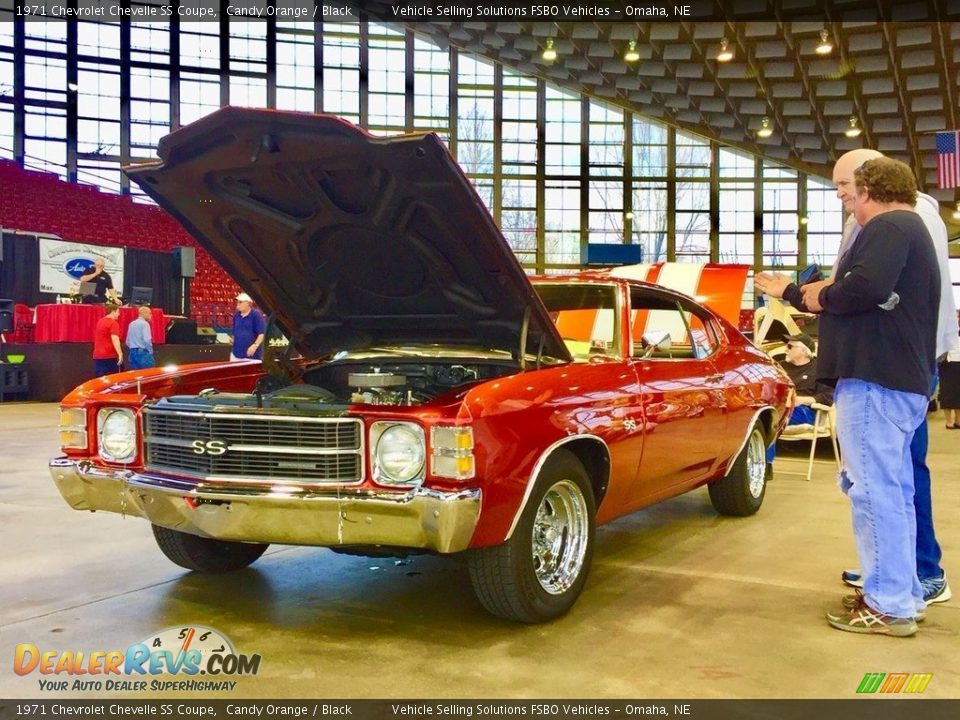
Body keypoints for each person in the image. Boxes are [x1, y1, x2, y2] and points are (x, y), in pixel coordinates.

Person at [756, 157, 940, 636]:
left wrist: (811, 294)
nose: (846, 201)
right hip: (900, 378)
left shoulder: (890, 226)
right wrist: (809, 294)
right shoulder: (912, 228)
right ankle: (901, 591)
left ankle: (888, 604)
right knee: (895, 491)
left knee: (874, 492)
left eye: (848, 191)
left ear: (868, 190)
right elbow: (870, 292)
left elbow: (863, 288)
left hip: (876, 378)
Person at [230, 292, 265, 361]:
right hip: (236, 355)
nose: (238, 304)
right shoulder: (236, 316)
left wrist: (255, 345)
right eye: (237, 302)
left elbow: (261, 334)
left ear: (248, 303)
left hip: (252, 357)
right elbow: (234, 333)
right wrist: (232, 339)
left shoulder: (256, 315)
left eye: (240, 302)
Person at [92, 303, 123, 376]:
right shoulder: (113, 323)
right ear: (113, 312)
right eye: (118, 312)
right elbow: (115, 338)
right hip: (109, 355)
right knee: (116, 380)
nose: (119, 314)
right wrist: (120, 353)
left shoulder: (100, 321)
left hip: (98, 355)